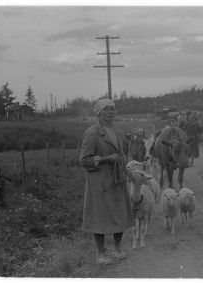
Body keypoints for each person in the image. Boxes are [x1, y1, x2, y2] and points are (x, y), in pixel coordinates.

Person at [80, 98, 134, 265]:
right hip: (100, 182)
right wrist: (106, 159)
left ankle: (117, 248)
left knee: (119, 213)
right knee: (99, 217)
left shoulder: (116, 132)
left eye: (113, 109)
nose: (111, 112)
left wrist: (122, 161)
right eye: (107, 109)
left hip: (116, 179)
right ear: (99, 112)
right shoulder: (92, 133)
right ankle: (101, 253)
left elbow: (121, 154)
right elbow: (84, 160)